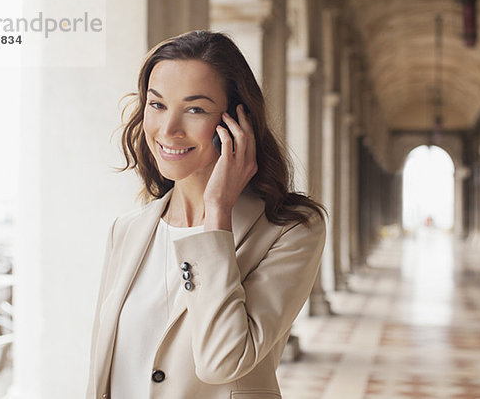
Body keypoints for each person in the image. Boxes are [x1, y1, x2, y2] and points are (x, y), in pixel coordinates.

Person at [87, 30, 326, 399]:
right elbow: (101, 372)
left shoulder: (290, 230)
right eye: (157, 104)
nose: (168, 130)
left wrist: (217, 214)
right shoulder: (127, 231)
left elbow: (223, 361)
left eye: (195, 109)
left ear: (236, 123)